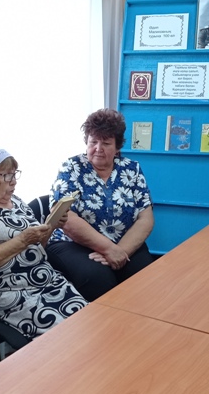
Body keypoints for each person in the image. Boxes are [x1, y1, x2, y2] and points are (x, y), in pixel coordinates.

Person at [0, 147, 88, 339]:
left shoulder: (18, 203)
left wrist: (51, 227)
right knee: (65, 335)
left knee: (87, 320)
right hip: (5, 292)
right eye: (6, 175)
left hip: (46, 283)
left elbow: (36, 249)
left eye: (14, 174)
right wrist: (22, 240)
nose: (13, 181)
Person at [47, 109, 156, 301]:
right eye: (93, 142)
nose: (98, 148)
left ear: (117, 146)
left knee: (144, 277)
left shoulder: (132, 169)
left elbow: (145, 218)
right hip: (74, 244)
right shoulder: (71, 168)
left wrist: (121, 251)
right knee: (98, 278)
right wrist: (108, 250)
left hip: (123, 243)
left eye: (106, 143)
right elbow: (67, 218)